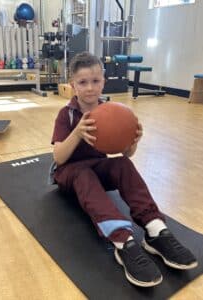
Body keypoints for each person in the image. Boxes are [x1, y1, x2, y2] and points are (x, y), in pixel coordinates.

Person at [51, 51, 198, 287]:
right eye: (82, 82)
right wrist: (77, 131)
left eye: (95, 81)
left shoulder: (110, 110)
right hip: (70, 173)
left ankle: (155, 229)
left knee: (122, 164)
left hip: (97, 168)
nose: (90, 88)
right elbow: (58, 158)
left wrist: (132, 142)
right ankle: (123, 241)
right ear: (73, 86)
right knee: (83, 173)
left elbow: (124, 154)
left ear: (104, 82)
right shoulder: (66, 114)